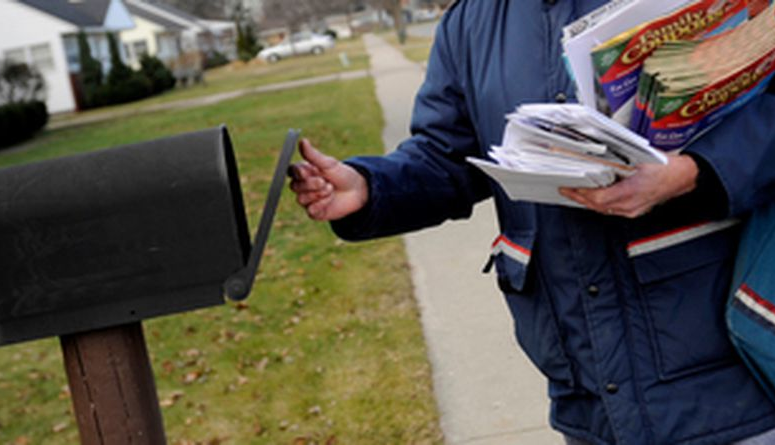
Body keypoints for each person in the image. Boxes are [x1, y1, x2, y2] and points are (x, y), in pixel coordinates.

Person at [289, 1, 775, 444]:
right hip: (589, 398)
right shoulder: (471, 22)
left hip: (730, 379)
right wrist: (369, 187)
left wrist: (692, 173)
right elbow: (444, 155)